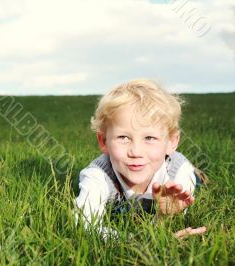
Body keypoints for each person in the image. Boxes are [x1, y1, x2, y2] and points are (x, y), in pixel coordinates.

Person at [75, 79, 207, 239]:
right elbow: (83, 223)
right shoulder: (98, 175)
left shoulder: (177, 176)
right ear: (104, 141)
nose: (136, 152)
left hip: (176, 169)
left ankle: (199, 174)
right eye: (123, 137)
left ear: (171, 142)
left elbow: (175, 219)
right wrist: (136, 241)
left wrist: (164, 217)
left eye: (150, 138)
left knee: (196, 180)